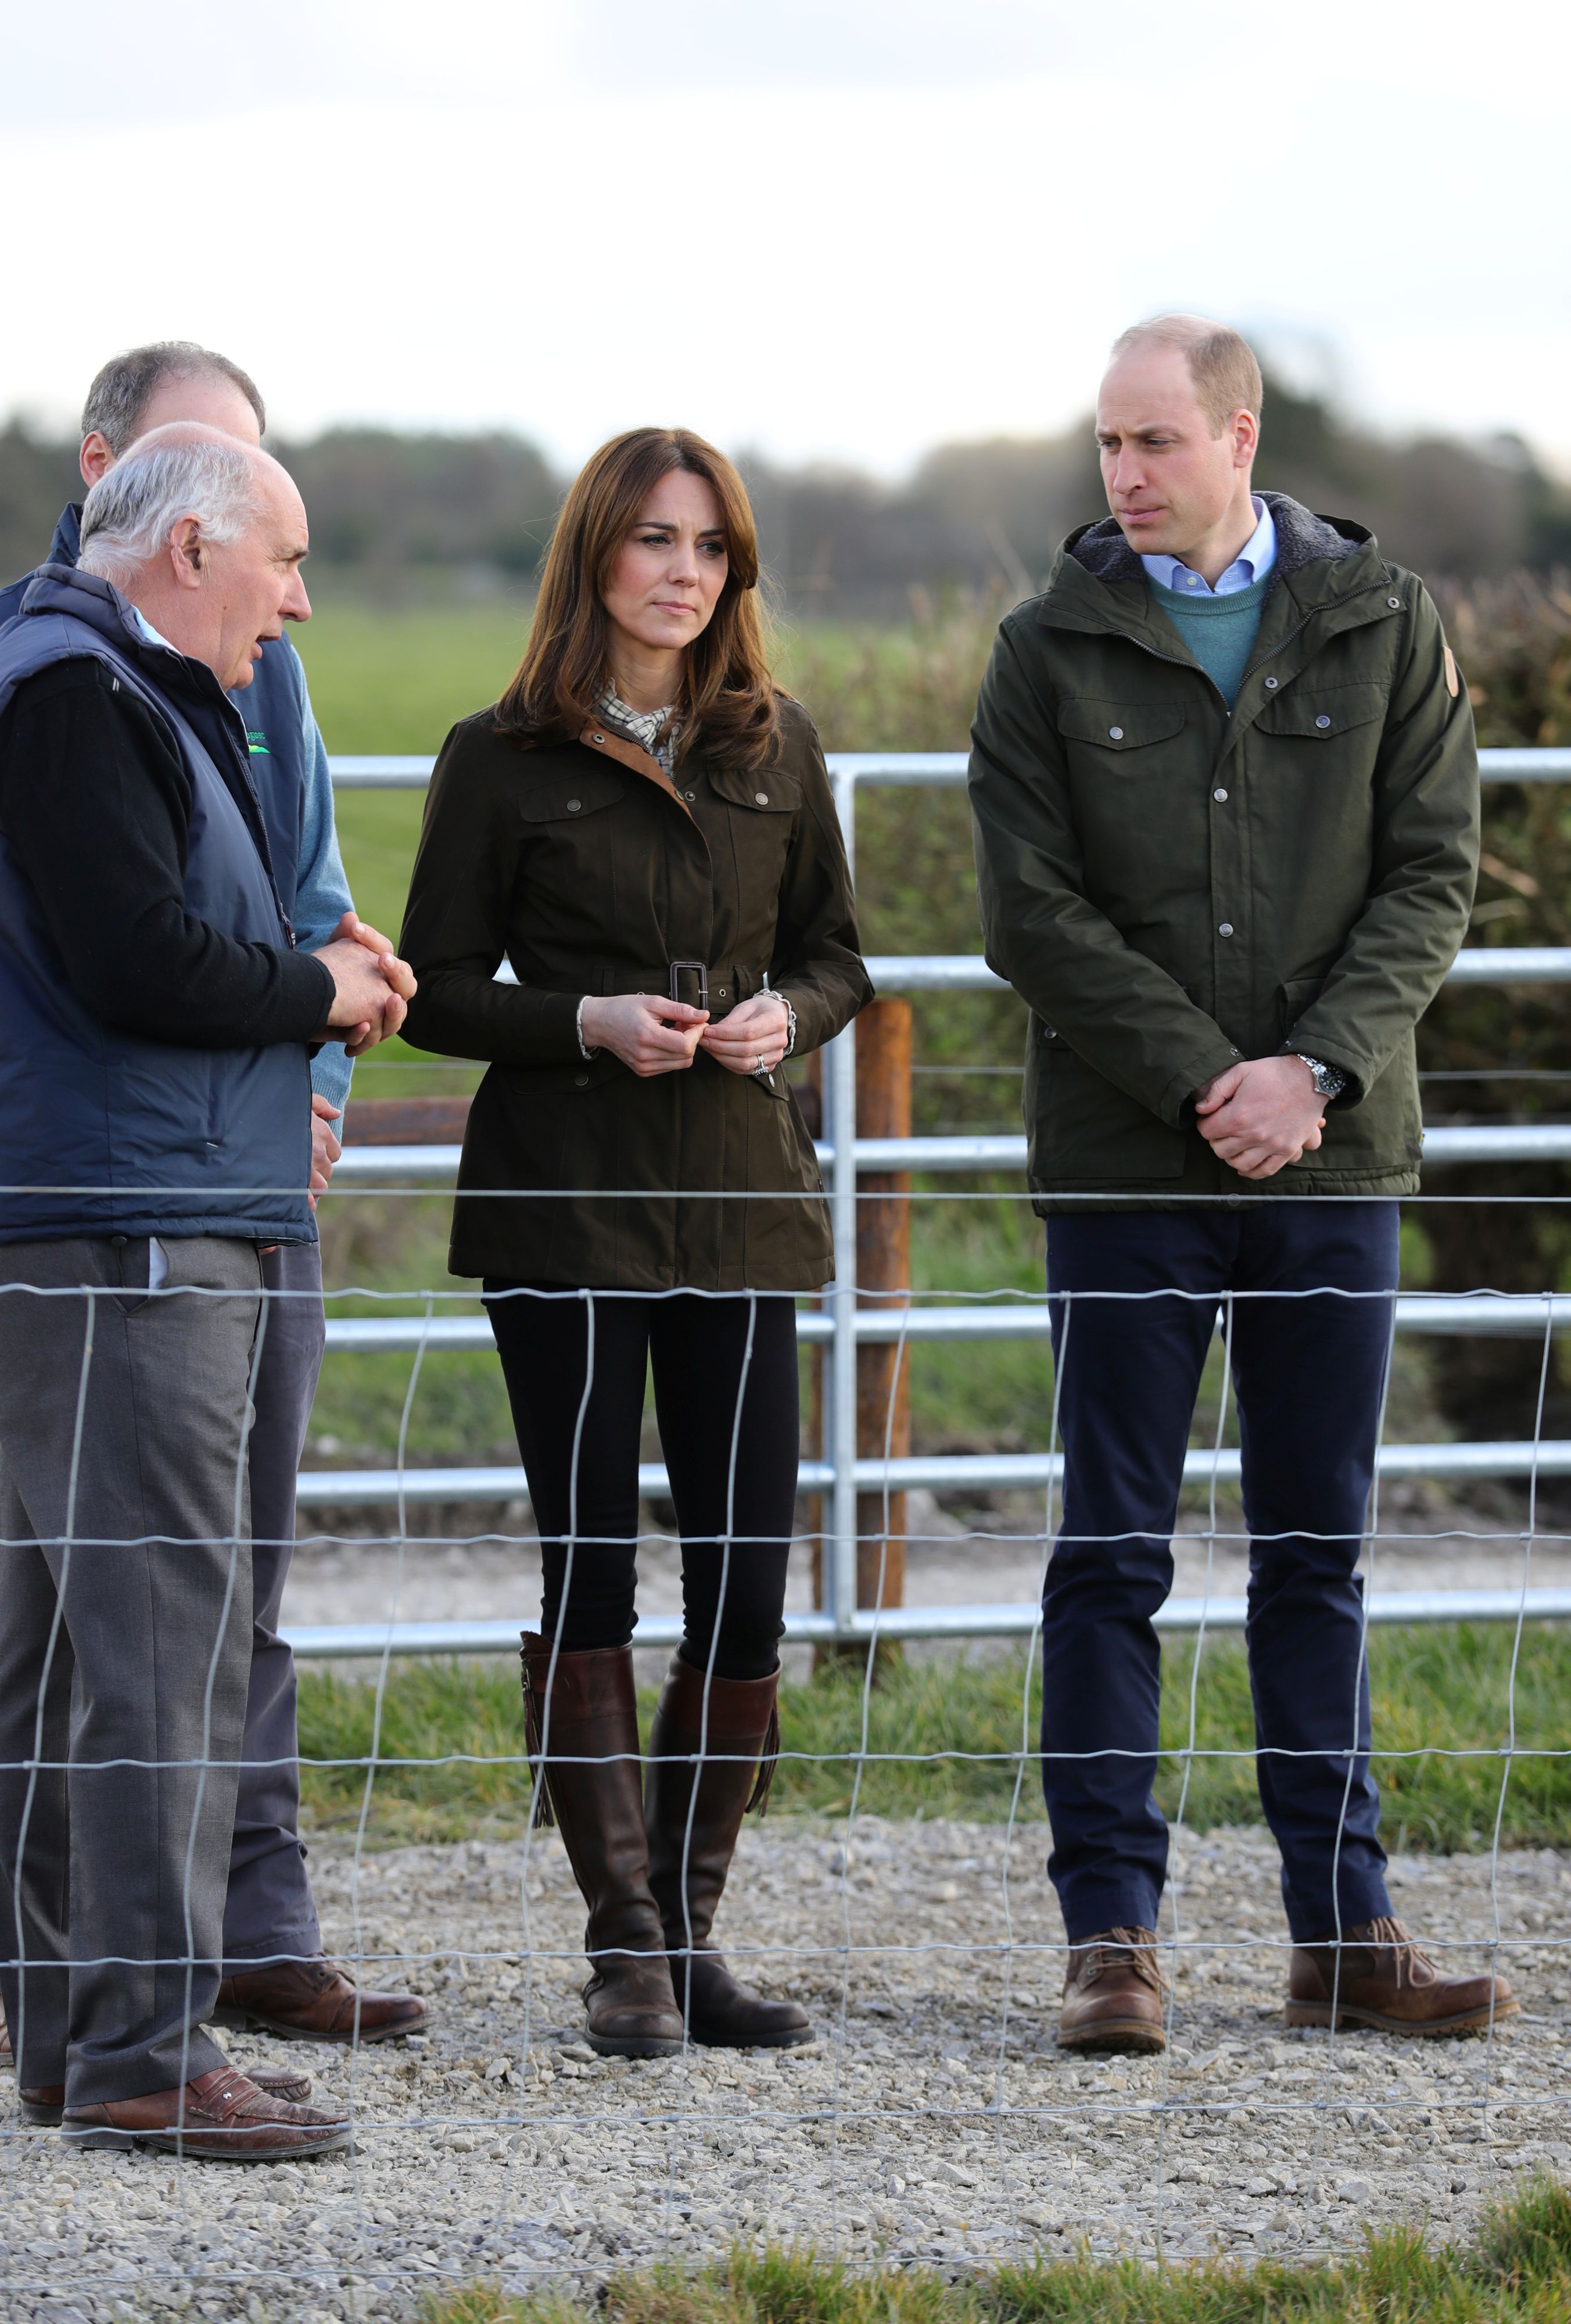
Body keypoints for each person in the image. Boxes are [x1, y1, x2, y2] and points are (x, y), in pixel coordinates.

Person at [968, 315, 1514, 2053]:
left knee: (1314, 1553)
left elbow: (1434, 877)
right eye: (1106, 447)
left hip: (1331, 1159)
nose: (1122, 477)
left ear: (1237, 437)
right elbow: (1030, 915)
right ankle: (1110, 1940)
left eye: (1153, 444)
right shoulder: (1046, 648)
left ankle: (1345, 1933)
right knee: (1111, 1548)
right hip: (1131, 1163)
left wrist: (1315, 1072)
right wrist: (1212, 1078)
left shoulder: (1386, 621)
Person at [400, 426, 870, 2056]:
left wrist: (781, 1023)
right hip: (566, 1205)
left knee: (747, 1583)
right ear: (596, 553)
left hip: (741, 1200)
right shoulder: (501, 755)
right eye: (655, 539)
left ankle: (694, 1930)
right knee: (591, 1561)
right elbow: (437, 991)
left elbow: (838, 959)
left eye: (712, 546)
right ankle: (624, 1952)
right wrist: (585, 1017)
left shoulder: (775, 743)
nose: (684, 571)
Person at [0, 342, 428, 2058]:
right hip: (132, 1230)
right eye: (286, 562)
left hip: (148, 1207)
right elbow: (138, 961)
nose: (303, 604)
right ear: (189, 550)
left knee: (62, 1652)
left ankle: (61, 2027)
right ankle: (141, 2055)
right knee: (158, 1652)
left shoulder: (122, 684)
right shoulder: (77, 695)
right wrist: (316, 992)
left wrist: (310, 989)